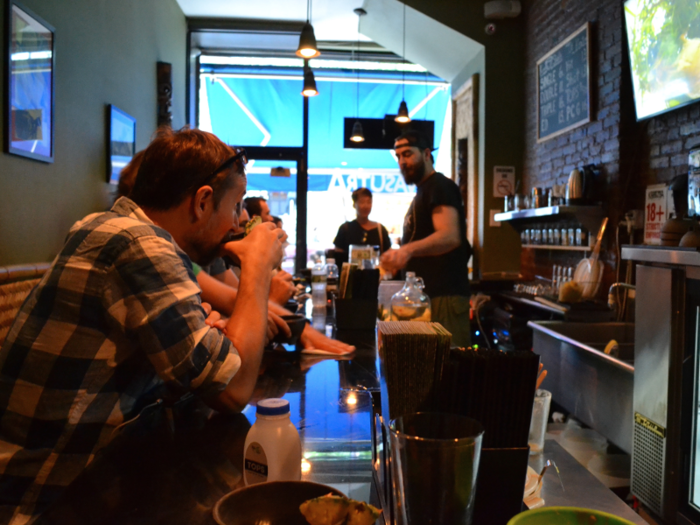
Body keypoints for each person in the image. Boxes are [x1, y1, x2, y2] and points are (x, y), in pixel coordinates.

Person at [0, 128, 329, 523]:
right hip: (43, 501)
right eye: (237, 204)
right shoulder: (138, 244)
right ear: (203, 201)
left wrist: (208, 339)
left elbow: (202, 371)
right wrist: (257, 264)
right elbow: (232, 391)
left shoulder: (112, 228)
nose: (240, 220)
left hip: (98, 476)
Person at [380, 130, 472, 347]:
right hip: (428, 299)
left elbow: (450, 236)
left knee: (449, 368)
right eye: (399, 156)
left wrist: (407, 251)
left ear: (427, 154)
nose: (402, 161)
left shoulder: (440, 186)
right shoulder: (424, 191)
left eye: (408, 154)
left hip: (445, 298)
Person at [333, 187, 391, 267]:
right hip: (352, 278)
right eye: (362, 202)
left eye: (369, 202)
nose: (366, 206)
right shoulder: (345, 229)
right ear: (354, 204)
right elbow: (337, 259)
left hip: (375, 278)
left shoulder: (380, 230)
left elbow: (388, 257)